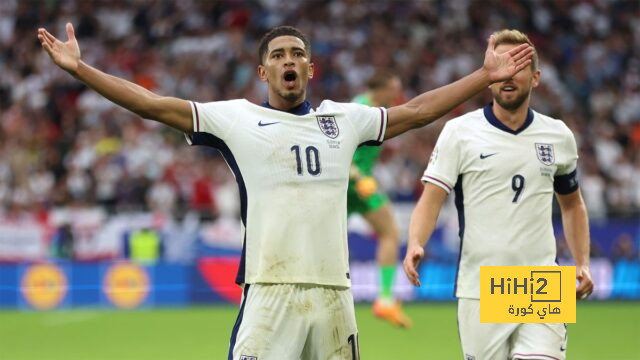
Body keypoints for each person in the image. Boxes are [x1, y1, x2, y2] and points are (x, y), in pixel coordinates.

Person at [38, 23, 533, 360]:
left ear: (310, 69)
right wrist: (81, 70)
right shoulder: (235, 118)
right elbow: (151, 104)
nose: (288, 60)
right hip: (269, 293)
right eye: (278, 55)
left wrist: (484, 76)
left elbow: (418, 111)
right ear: (264, 72)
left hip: (334, 296)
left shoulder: (345, 118)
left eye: (297, 54)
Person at [403, 29, 594, 360]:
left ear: (535, 78)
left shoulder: (558, 135)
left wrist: (582, 262)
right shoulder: (460, 132)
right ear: (489, 76)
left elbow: (573, 204)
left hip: (542, 283)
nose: (508, 74)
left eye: (517, 65)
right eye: (500, 65)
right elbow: (431, 197)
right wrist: (416, 241)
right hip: (481, 285)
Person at [347, 72, 411, 328]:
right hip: (345, 184)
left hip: (362, 185)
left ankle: (385, 301)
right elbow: (337, 149)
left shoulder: (381, 111)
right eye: (394, 89)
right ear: (381, 88)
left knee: (390, 232)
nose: (397, 95)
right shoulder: (358, 110)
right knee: (324, 241)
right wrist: (357, 176)